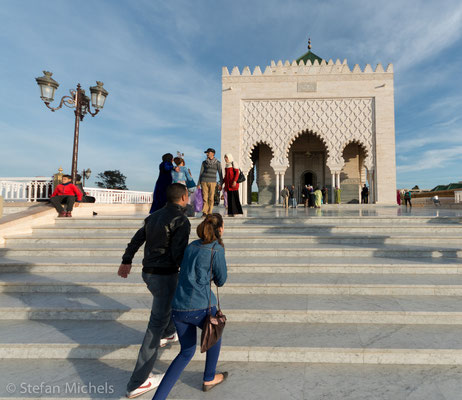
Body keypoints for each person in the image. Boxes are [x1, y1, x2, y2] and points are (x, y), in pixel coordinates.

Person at [118, 184, 191, 399]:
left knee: (167, 301)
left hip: (149, 273)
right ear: (184, 198)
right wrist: (191, 274)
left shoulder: (154, 216)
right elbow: (178, 254)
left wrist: (126, 261)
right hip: (164, 275)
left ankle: (169, 333)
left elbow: (137, 239)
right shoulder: (181, 220)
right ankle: (137, 382)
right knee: (155, 325)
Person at [152, 214, 228, 399]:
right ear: (219, 229)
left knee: (186, 352)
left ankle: (159, 397)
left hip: (178, 306)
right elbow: (222, 280)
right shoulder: (216, 250)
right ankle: (209, 377)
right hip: (200, 306)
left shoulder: (192, 246)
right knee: (215, 332)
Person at [198, 148, 224, 217]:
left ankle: (210, 212)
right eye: (206, 153)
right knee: (205, 197)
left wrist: (221, 184)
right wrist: (198, 183)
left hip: (212, 182)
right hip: (204, 181)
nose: (207, 154)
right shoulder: (204, 162)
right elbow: (201, 173)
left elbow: (220, 173)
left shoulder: (217, 163)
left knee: (211, 197)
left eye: (208, 153)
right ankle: (204, 212)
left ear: (213, 153)